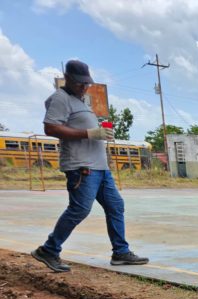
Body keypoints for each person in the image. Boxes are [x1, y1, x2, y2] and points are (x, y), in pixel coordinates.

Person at [31, 60, 148, 273]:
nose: (84, 87)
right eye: (79, 83)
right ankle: (49, 250)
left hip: (100, 168)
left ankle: (120, 252)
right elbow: (50, 128)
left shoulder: (81, 101)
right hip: (82, 167)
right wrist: (88, 133)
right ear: (67, 79)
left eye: (86, 83)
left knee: (115, 206)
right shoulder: (60, 98)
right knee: (79, 209)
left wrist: (99, 134)